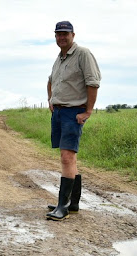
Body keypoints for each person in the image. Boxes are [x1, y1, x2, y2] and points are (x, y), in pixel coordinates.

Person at [46, 20, 101, 221]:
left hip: (73, 112)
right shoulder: (59, 58)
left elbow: (93, 83)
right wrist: (50, 100)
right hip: (59, 113)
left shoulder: (83, 54)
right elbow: (50, 80)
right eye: (58, 34)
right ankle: (73, 203)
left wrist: (88, 111)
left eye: (65, 34)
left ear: (73, 35)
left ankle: (63, 206)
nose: (61, 37)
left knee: (67, 157)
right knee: (68, 157)